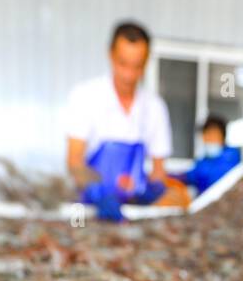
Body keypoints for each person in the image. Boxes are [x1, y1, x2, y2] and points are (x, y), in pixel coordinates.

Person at [65, 21, 187, 222]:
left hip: (133, 209)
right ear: (111, 55)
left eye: (137, 66)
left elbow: (158, 172)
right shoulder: (85, 97)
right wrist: (99, 192)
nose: (129, 75)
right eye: (123, 64)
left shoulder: (155, 107)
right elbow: (74, 161)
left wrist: (149, 191)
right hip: (89, 208)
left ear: (147, 62)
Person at [172, 115, 241, 195]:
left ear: (223, 137)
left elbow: (212, 176)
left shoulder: (231, 156)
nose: (209, 139)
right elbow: (190, 175)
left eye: (213, 135)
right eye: (206, 136)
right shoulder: (204, 160)